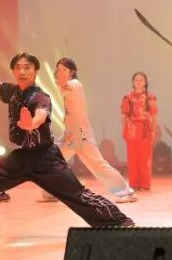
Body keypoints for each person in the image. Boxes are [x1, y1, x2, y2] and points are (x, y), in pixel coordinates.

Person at [0, 53, 133, 239]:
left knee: (77, 195)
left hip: (46, 159)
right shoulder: (12, 92)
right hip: (22, 157)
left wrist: (31, 124)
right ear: (13, 71)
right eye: (18, 68)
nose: (22, 72)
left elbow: (40, 115)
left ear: (35, 71)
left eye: (27, 68)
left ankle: (118, 220)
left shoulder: (40, 96)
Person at [39, 58, 136, 204]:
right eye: (58, 69)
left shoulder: (75, 84)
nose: (60, 72)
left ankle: (126, 192)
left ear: (72, 72)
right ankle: (50, 193)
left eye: (64, 69)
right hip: (70, 135)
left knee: (98, 165)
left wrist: (60, 81)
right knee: (53, 160)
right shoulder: (65, 85)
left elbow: (65, 87)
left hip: (81, 134)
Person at [121, 72, 157, 191]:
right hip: (131, 130)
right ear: (133, 82)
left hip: (145, 130)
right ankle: (134, 184)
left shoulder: (150, 97)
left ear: (145, 82)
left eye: (141, 80)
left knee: (145, 159)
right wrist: (124, 130)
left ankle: (145, 184)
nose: (138, 82)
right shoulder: (127, 97)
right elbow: (124, 115)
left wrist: (153, 131)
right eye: (136, 79)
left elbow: (154, 115)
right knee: (132, 159)